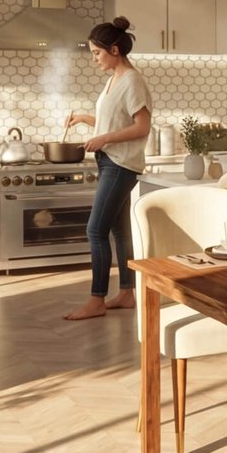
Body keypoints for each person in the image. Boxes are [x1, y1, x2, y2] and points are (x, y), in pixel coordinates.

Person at [63, 16, 152, 320]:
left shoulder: (132, 80)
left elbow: (142, 127)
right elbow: (116, 119)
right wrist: (85, 120)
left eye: (97, 53)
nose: (94, 59)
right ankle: (127, 293)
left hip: (120, 164)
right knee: (118, 229)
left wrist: (103, 139)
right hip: (110, 161)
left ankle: (96, 299)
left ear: (114, 49)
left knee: (95, 230)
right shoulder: (113, 80)